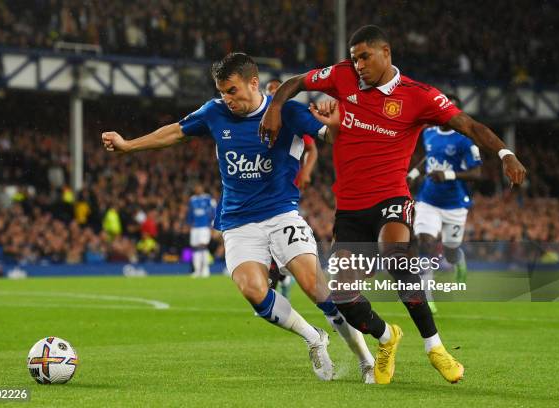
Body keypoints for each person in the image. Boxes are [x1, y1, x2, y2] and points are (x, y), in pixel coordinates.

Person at [259, 25, 526, 384]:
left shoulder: (420, 96)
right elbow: (295, 82)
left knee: (395, 253)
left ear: (386, 52)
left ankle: (435, 348)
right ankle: (387, 338)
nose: (358, 66)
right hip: (351, 208)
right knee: (342, 293)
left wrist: (505, 153)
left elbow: (469, 125)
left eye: (365, 57)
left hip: (391, 197)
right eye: (354, 59)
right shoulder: (341, 76)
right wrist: (275, 106)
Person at [102, 52, 377, 382]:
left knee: (315, 287)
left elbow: (328, 136)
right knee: (252, 289)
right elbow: (175, 132)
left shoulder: (286, 110)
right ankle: (313, 337)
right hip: (238, 220)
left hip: (281, 214)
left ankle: (366, 360)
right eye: (221, 92)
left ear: (253, 82)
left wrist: (334, 123)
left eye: (232, 90)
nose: (226, 99)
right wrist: (128, 145)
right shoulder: (214, 112)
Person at [407, 94, 482, 313]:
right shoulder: (429, 133)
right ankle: (426, 296)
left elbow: (477, 173)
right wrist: (413, 173)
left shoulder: (465, 140)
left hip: (454, 205)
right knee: (425, 242)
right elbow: (427, 159)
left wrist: (448, 175)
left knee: (449, 251)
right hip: (428, 200)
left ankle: (458, 258)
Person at [265, 78, 319, 299]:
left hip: (285, 186)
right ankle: (282, 279)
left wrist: (306, 171)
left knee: (279, 230)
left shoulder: (292, 118)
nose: (273, 94)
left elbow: (312, 149)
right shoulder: (259, 117)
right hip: (263, 184)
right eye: (270, 91)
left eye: (277, 91)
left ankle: (283, 277)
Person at [186, 183, 216, 278]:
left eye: (199, 187)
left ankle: (205, 270)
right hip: (195, 227)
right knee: (195, 248)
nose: (197, 189)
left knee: (203, 246)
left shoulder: (208, 198)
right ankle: (197, 271)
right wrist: (189, 224)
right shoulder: (192, 199)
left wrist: (212, 224)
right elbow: (190, 213)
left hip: (204, 226)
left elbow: (214, 211)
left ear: (202, 188)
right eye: (196, 188)